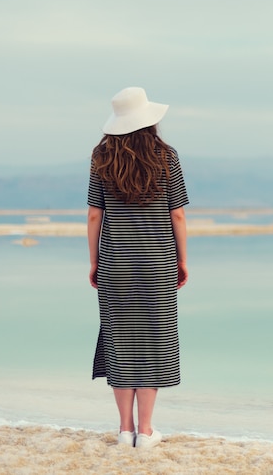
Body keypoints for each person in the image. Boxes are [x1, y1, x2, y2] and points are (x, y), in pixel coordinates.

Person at [87, 87, 189, 449]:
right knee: (153, 343)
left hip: (116, 263)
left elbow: (94, 214)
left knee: (121, 343)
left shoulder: (101, 157)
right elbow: (176, 213)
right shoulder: (167, 157)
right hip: (158, 263)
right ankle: (146, 432)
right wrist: (181, 260)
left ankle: (124, 429)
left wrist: (95, 262)